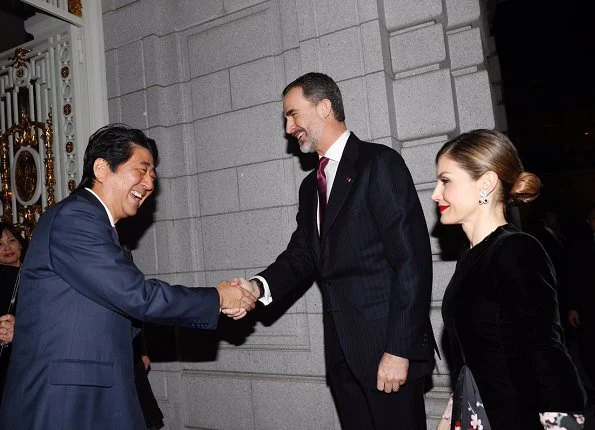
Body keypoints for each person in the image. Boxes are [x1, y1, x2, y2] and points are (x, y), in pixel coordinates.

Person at [0, 124, 258, 429]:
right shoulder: (75, 218)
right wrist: (219, 297)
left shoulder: (97, 225)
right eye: (142, 169)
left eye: (153, 175)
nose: (149, 183)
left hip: (95, 396)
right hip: (65, 404)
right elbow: (137, 296)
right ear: (101, 168)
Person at [227, 72, 436, 430]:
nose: (289, 128)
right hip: (342, 357)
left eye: (293, 114)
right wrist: (256, 288)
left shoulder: (379, 164)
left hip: (387, 351)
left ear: (324, 107)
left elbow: (412, 262)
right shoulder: (311, 187)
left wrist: (399, 349)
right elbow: (301, 256)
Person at [432, 129, 586, 429]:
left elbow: (546, 349)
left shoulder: (515, 250)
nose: (436, 193)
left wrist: (561, 423)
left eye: (446, 180)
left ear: (486, 184)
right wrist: (453, 413)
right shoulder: (471, 255)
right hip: (481, 412)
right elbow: (474, 356)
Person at [567, 205, 595, 392]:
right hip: (588, 308)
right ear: (589, 221)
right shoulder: (580, 245)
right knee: (589, 351)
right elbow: (572, 277)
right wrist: (572, 307)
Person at [0, 222, 27, 407]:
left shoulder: (37, 275)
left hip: (27, 359)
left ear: (21, 244)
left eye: (12, 240)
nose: (7, 247)